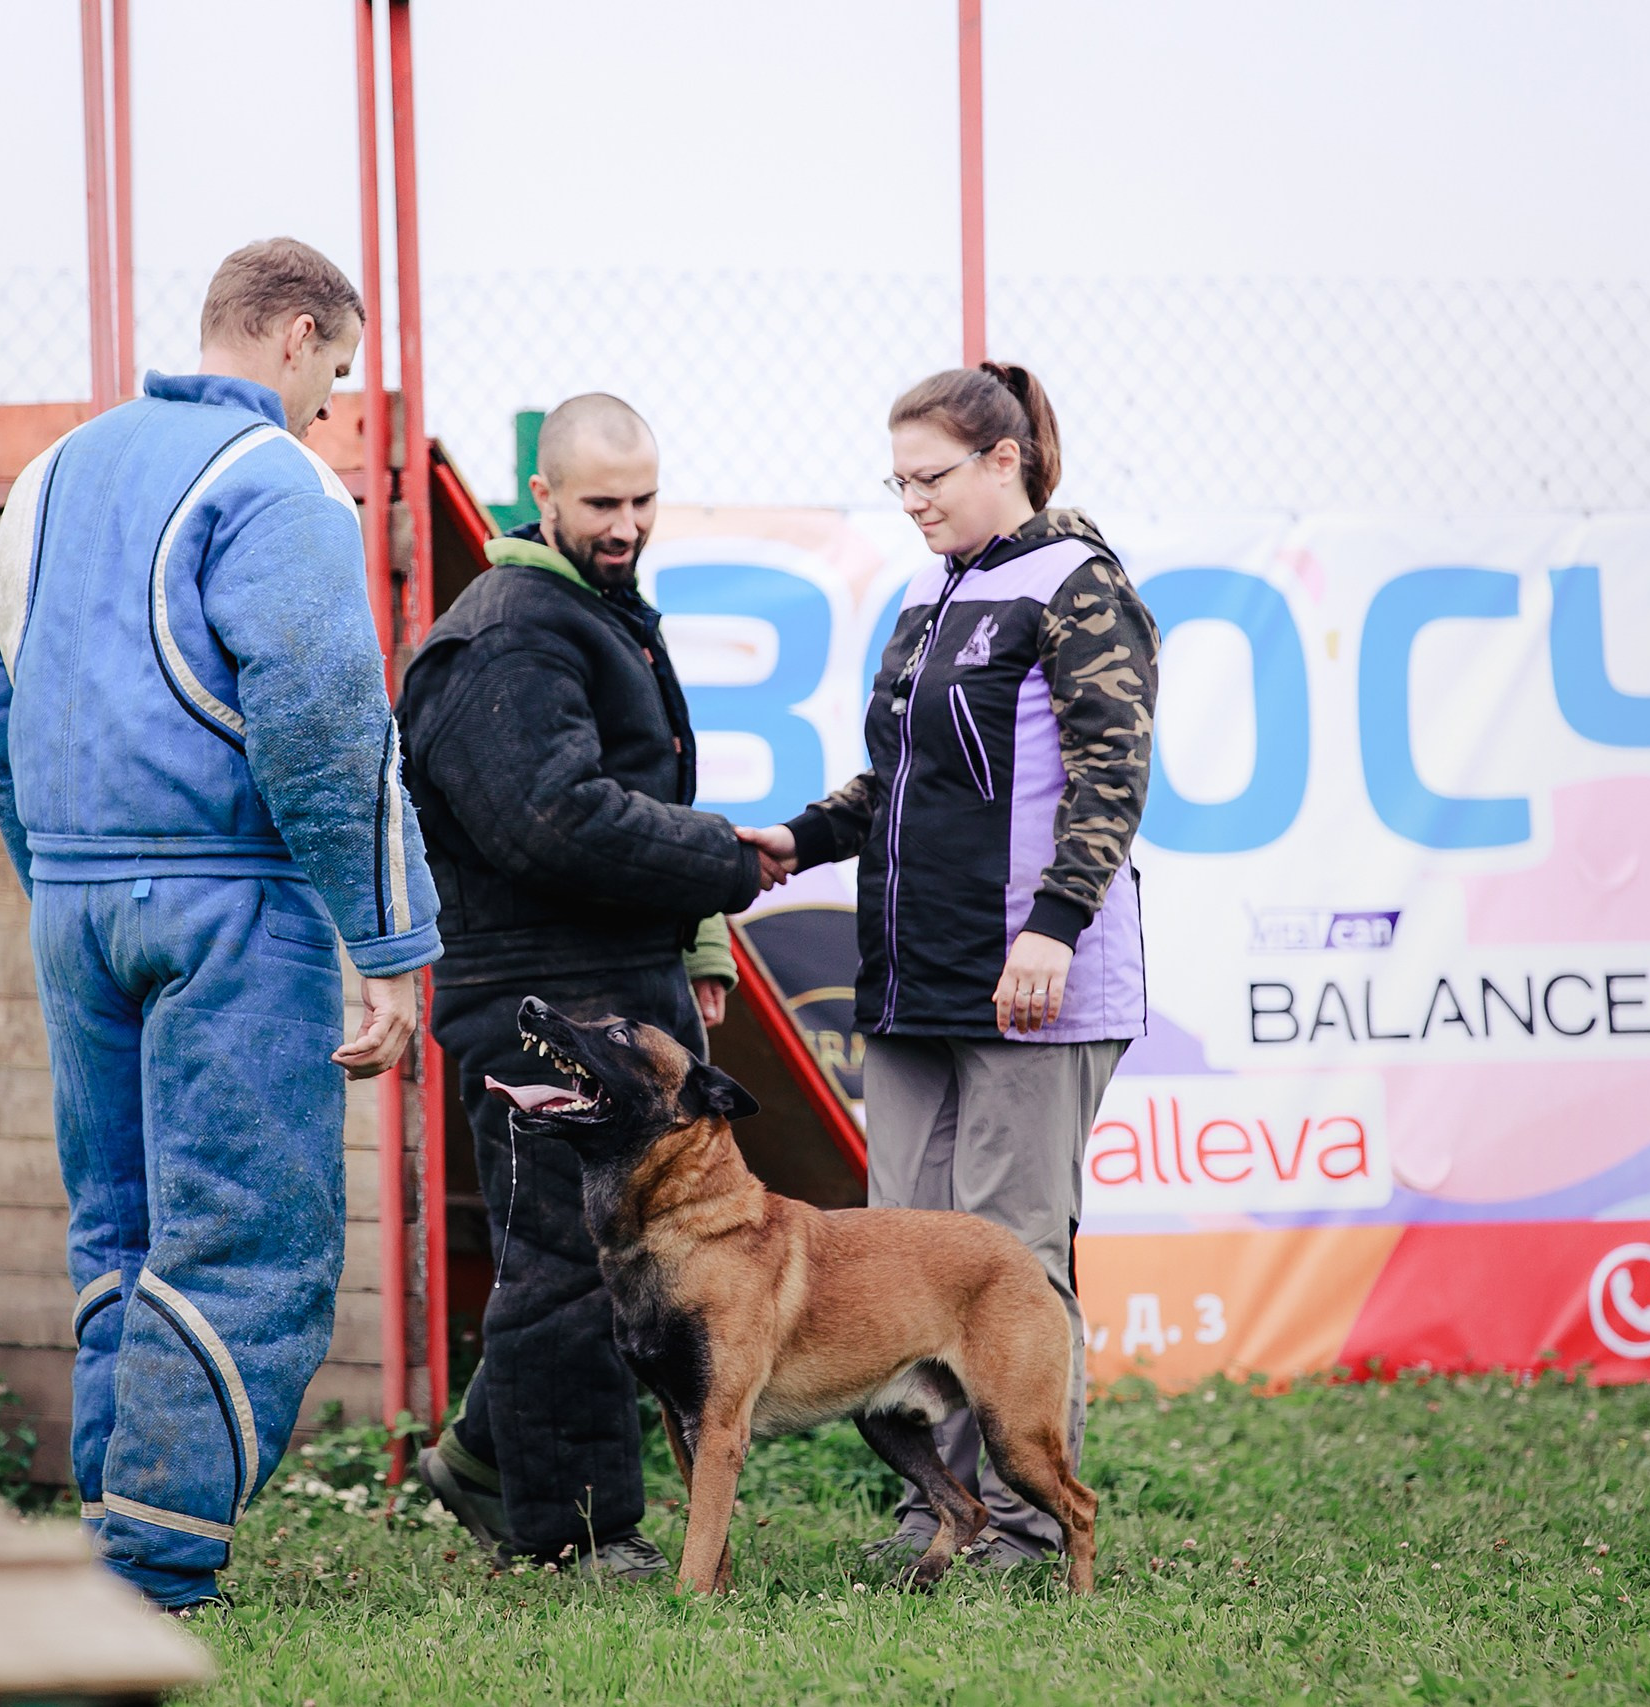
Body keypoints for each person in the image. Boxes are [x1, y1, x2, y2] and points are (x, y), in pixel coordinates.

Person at [0, 237, 440, 1612]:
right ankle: (155, 1564)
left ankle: (114, 1517)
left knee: (116, 1221)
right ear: (294, 334)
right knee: (246, 1230)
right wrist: (392, 937)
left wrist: (46, 867)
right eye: (334, 373)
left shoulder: (55, 471)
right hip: (227, 900)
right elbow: (322, 710)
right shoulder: (273, 481)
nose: (330, 407)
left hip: (76, 900)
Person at [741, 362, 1157, 1569]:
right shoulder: (929, 599)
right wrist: (802, 838)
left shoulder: (1078, 586)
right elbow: (902, 781)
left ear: (1003, 461)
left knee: (1009, 1254)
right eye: (897, 479)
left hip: (1032, 975)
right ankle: (938, 1516)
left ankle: (1029, 1528)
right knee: (900, 1263)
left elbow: (1111, 774)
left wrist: (1054, 925)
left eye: (929, 477)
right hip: (916, 979)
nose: (910, 500)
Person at [396, 394, 761, 1577]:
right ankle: (575, 1535)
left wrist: (693, 950)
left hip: (619, 981)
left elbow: (633, 791)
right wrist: (721, 858)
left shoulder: (596, 614)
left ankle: (490, 1463)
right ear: (540, 497)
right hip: (533, 1003)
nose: (627, 523)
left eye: (644, 499)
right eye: (602, 502)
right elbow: (553, 821)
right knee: (563, 1261)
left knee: (605, 1250)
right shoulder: (510, 632)